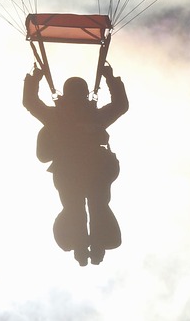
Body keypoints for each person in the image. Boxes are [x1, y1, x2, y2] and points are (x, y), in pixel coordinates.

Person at [23, 61, 128, 265]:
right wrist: (110, 78)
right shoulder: (94, 116)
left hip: (72, 171)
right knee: (96, 206)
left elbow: (30, 102)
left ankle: (83, 248)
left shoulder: (56, 117)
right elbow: (121, 106)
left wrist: (35, 77)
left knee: (77, 207)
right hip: (93, 170)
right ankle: (93, 247)